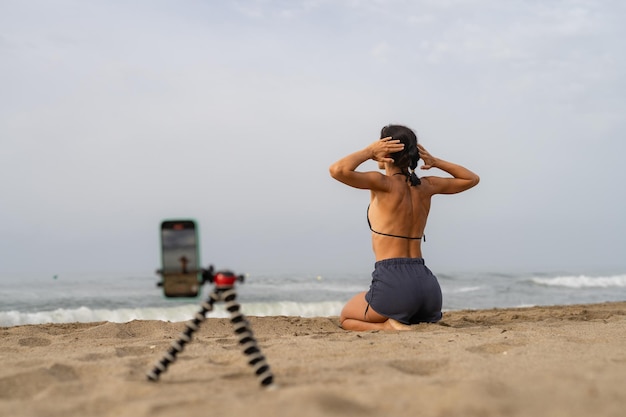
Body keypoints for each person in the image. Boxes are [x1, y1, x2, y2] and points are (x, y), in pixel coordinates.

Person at [329, 124, 479, 331]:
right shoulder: (426, 186)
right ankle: (404, 319)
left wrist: (368, 152)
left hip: (395, 285)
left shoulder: (382, 183)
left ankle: (387, 328)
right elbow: (471, 179)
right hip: (428, 289)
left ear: (385, 151)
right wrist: (436, 162)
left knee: (347, 317)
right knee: (394, 307)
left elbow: (337, 170)